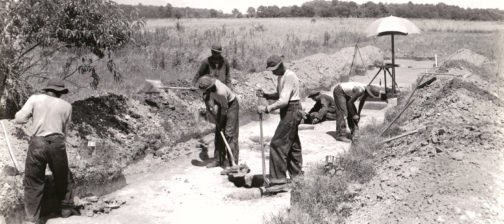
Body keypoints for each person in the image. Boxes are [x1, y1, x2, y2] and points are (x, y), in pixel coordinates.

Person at [14, 78, 78, 223]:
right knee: (63, 176)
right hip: (57, 142)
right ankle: (66, 210)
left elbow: (19, 118)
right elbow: (65, 130)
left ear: (47, 89)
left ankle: (31, 219)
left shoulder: (35, 99)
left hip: (38, 143)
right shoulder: (67, 106)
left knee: (33, 180)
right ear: (60, 92)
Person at [256, 55, 303, 186]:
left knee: (277, 144)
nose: (272, 72)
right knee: (292, 144)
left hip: (292, 110)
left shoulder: (290, 76)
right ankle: (297, 175)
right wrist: (266, 95)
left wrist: (266, 108)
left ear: (280, 66)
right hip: (288, 111)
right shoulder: (280, 77)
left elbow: (283, 101)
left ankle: (278, 180)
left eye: (273, 69)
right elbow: (279, 95)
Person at [197, 76, 239, 169]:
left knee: (229, 134)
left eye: (205, 90)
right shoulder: (209, 88)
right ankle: (218, 160)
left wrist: (220, 123)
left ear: (210, 88)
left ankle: (233, 163)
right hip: (221, 105)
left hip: (231, 106)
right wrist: (210, 109)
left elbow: (225, 109)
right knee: (218, 133)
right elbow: (208, 101)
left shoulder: (221, 92)